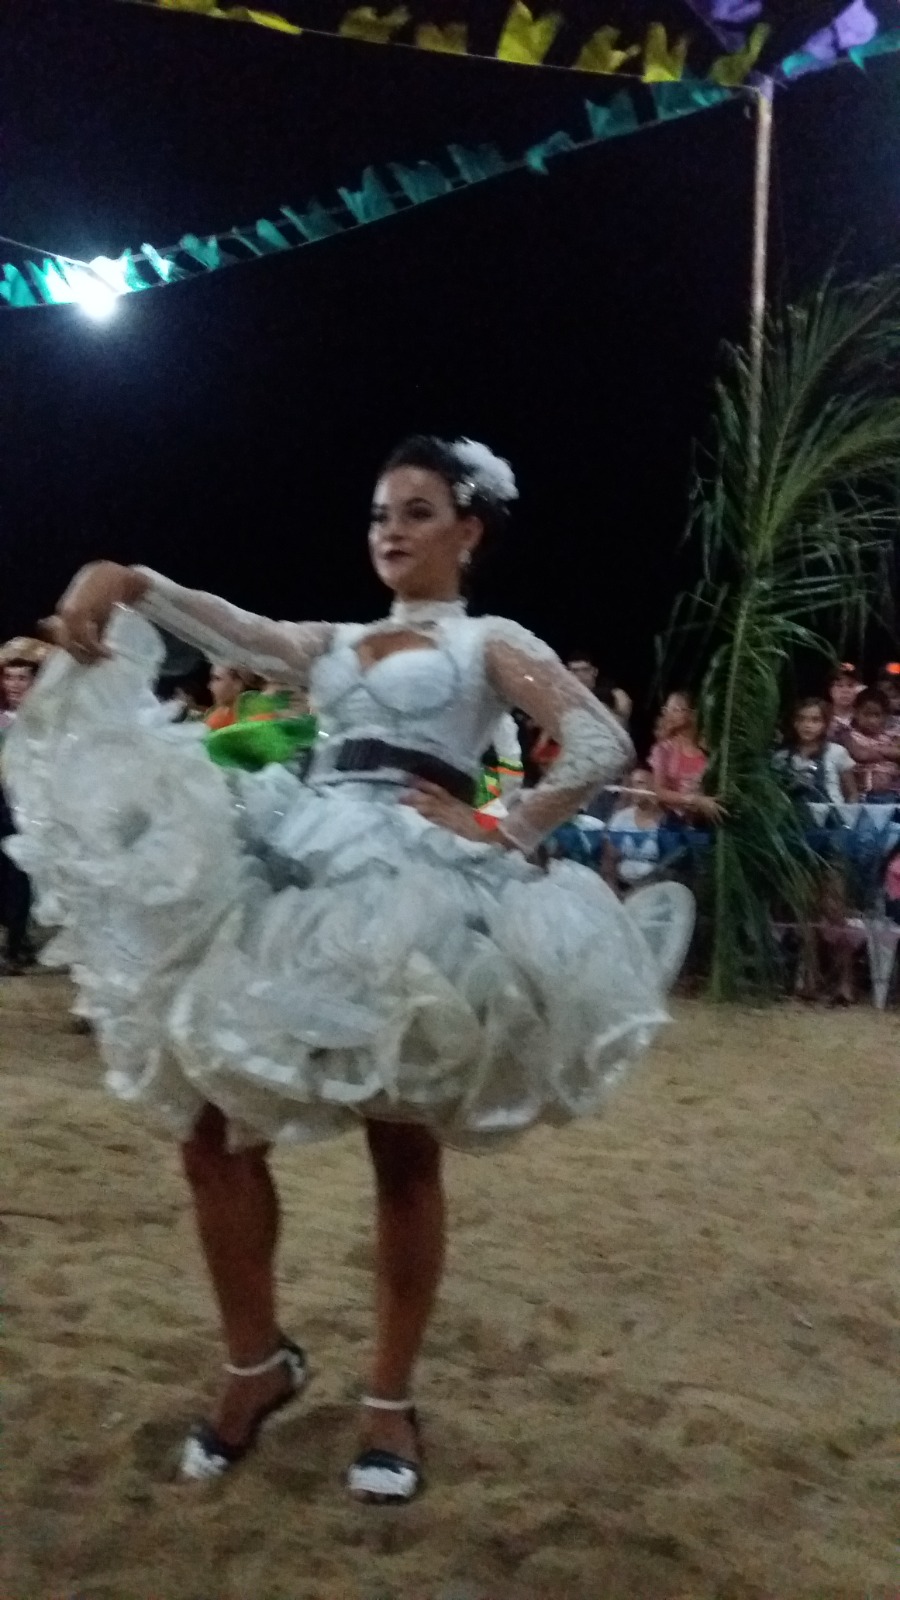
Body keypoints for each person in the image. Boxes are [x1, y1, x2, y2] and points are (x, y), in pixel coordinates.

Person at [11, 434, 689, 1503]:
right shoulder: (336, 640)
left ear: (468, 531)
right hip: (303, 866)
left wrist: (503, 824)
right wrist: (127, 578)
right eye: (381, 513)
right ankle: (257, 1362)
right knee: (209, 1125)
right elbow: (229, 625)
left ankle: (388, 1398)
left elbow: (601, 741)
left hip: (418, 885)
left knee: (401, 1145)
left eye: (418, 511)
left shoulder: (484, 641)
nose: (391, 530)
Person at [0, 654, 42, 974]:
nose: (14, 684)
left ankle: (16, 940)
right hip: (3, 803)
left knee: (21, 874)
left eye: (22, 677)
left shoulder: (42, 721)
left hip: (28, 805)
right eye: (9, 677)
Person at [648, 691, 723, 824]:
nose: (669, 714)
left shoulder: (710, 750)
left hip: (708, 820)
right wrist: (695, 800)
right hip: (675, 822)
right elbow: (660, 791)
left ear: (693, 714)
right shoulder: (663, 750)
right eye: (667, 709)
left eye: (676, 709)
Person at [773, 698, 857, 807]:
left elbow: (852, 793)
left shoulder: (836, 752)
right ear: (794, 723)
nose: (807, 725)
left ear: (825, 724)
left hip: (830, 814)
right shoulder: (781, 757)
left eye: (815, 720)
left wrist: (848, 813)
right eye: (801, 719)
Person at [602, 769, 664, 894]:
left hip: (655, 890)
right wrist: (613, 890)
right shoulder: (621, 818)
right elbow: (609, 859)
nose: (634, 789)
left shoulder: (667, 822)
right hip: (623, 887)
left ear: (653, 786)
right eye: (632, 784)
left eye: (640, 783)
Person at [840, 692, 900, 801]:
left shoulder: (893, 734)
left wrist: (875, 751)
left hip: (892, 793)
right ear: (856, 713)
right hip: (861, 793)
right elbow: (860, 755)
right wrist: (887, 753)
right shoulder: (849, 735)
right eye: (866, 714)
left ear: (886, 716)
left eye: (877, 715)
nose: (871, 721)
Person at [204, 663, 254, 731]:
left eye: (217, 679)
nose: (210, 686)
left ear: (238, 683)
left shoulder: (257, 716)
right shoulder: (217, 718)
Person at [826, 662, 864, 740]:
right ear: (830, 690)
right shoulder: (823, 717)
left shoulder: (864, 717)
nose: (845, 691)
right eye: (839, 685)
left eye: (850, 686)